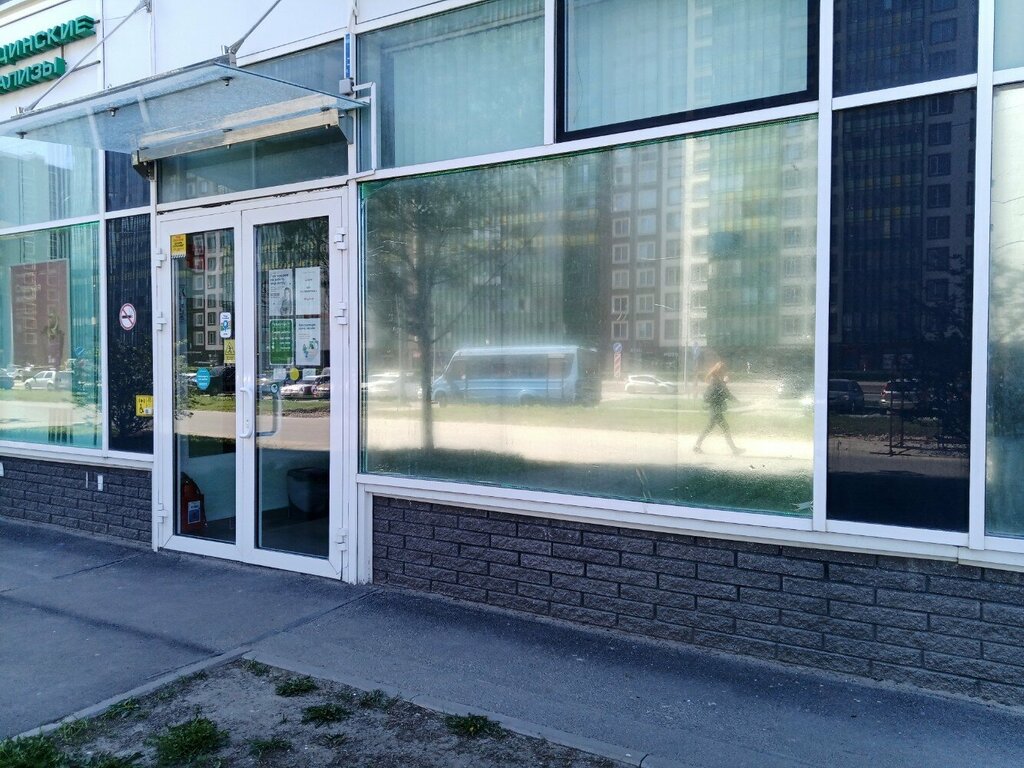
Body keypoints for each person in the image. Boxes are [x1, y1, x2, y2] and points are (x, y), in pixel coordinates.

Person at [695, 361, 742, 455]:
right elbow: (720, 392)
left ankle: (696, 446)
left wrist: (736, 400)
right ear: (720, 371)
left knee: (709, 428)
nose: (725, 373)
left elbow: (724, 392)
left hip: (715, 409)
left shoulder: (716, 379)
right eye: (724, 371)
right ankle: (734, 450)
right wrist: (724, 382)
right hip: (715, 409)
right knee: (725, 428)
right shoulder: (714, 380)